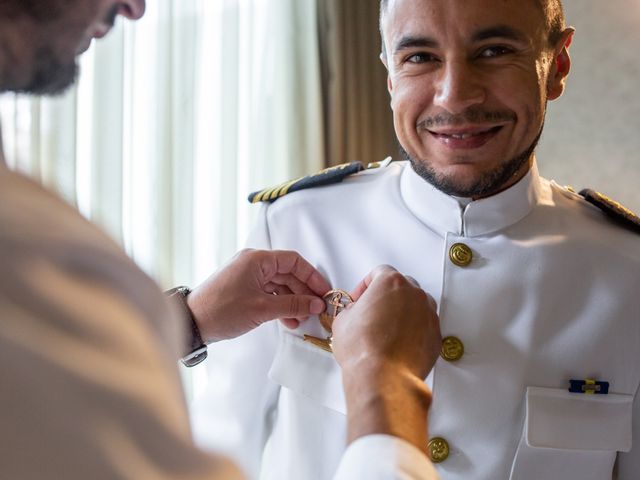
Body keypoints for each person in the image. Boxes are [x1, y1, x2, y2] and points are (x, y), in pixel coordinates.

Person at [193, 0, 640, 479]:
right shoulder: (294, 227)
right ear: (390, 75)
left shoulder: (628, 271)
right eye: (420, 57)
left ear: (557, 65)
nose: (454, 97)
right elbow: (218, 450)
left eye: (493, 51)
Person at [0, 1, 443, 479]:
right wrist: (386, 387)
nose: (135, 6)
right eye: (420, 56)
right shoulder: (24, 244)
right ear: (389, 73)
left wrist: (189, 321)